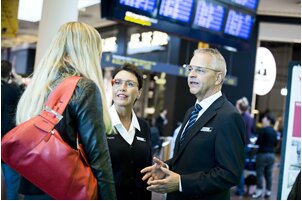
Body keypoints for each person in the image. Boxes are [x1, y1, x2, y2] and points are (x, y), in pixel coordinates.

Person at [15, 22, 116, 199]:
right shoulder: (83, 87)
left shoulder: (39, 85)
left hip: (32, 186)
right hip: (64, 189)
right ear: (88, 53)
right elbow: (98, 155)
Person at [141, 48, 246, 199]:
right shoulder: (191, 111)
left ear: (218, 78)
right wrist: (166, 167)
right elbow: (188, 159)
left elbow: (229, 174)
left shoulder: (229, 116)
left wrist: (181, 183)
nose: (192, 74)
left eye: (200, 70)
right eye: (190, 68)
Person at [107, 63, 152, 199]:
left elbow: (146, 174)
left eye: (130, 84)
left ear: (139, 92)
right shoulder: (100, 123)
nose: (122, 88)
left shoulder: (143, 127)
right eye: (118, 82)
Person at [1, 60, 24, 200]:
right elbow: (26, 99)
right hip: (7, 141)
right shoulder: (14, 89)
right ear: (9, 73)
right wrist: (20, 82)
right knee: (12, 182)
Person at [252, 112, 278, 199]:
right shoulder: (274, 132)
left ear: (268, 120)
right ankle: (268, 191)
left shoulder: (263, 130)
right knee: (269, 174)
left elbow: (258, 142)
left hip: (262, 155)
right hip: (271, 155)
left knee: (259, 174)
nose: (262, 119)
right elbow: (275, 144)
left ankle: (259, 191)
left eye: (264, 118)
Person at [235, 96, 255, 196]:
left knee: (239, 169)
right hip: (246, 146)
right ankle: (240, 189)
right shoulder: (250, 118)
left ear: (239, 106)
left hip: (240, 146)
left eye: (236, 104)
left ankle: (240, 190)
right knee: (241, 168)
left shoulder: (239, 118)